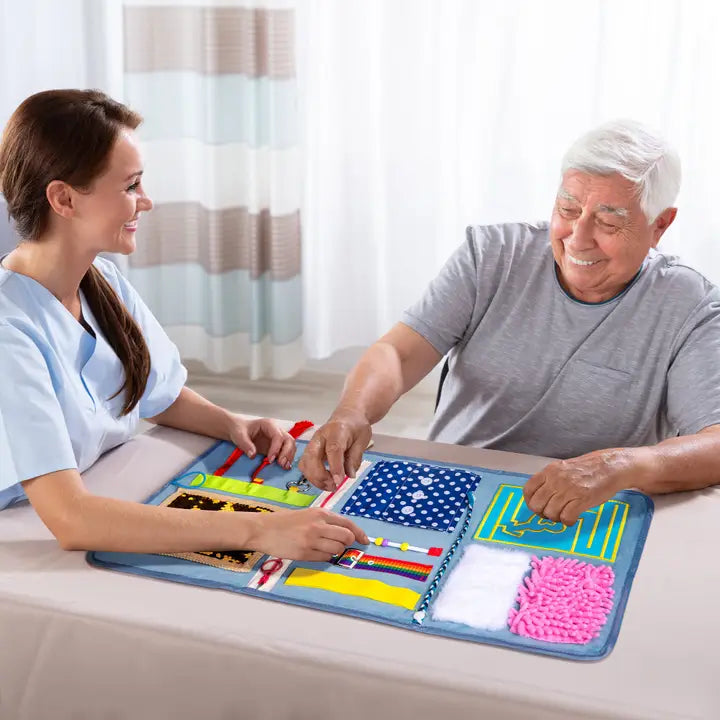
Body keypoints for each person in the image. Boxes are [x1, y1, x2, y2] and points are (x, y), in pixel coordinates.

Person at [0, 89, 367, 559]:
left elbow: (158, 393)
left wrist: (231, 423)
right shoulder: (12, 331)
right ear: (64, 199)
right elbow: (71, 519)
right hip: (31, 524)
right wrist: (257, 530)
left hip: (101, 486)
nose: (146, 201)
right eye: (130, 186)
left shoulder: (102, 281)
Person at [300, 119, 720, 526]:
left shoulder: (691, 305)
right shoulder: (490, 254)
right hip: (453, 484)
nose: (578, 237)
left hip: (585, 510)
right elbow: (399, 352)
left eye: (609, 222)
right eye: (567, 209)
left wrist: (621, 465)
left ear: (660, 224)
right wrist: (353, 412)